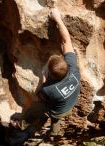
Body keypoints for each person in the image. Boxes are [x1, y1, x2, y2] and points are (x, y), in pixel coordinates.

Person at [39, 8, 81, 137]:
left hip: (56, 111)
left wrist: (42, 75)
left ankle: (25, 124)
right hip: (70, 105)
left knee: (37, 109)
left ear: (50, 75)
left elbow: (41, 90)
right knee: (56, 122)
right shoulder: (74, 69)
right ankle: (54, 132)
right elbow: (66, 41)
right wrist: (57, 18)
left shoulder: (49, 89)